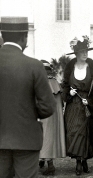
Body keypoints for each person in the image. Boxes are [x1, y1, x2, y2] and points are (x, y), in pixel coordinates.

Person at [0, 16, 55, 178]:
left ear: (2, 36)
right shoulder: (34, 66)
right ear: (24, 37)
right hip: (26, 138)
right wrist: (29, 113)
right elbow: (48, 106)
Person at [62, 36, 93, 176]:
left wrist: (91, 100)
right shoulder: (70, 67)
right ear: (76, 53)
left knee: (85, 134)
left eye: (86, 51)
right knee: (73, 133)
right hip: (73, 106)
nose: (85, 54)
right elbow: (64, 87)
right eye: (82, 52)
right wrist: (69, 93)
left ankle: (82, 161)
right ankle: (79, 159)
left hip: (87, 107)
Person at [38, 60, 66, 175]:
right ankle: (43, 162)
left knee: (45, 139)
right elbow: (61, 103)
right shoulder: (55, 82)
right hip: (54, 117)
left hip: (45, 116)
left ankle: (50, 165)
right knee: (49, 139)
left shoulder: (43, 83)